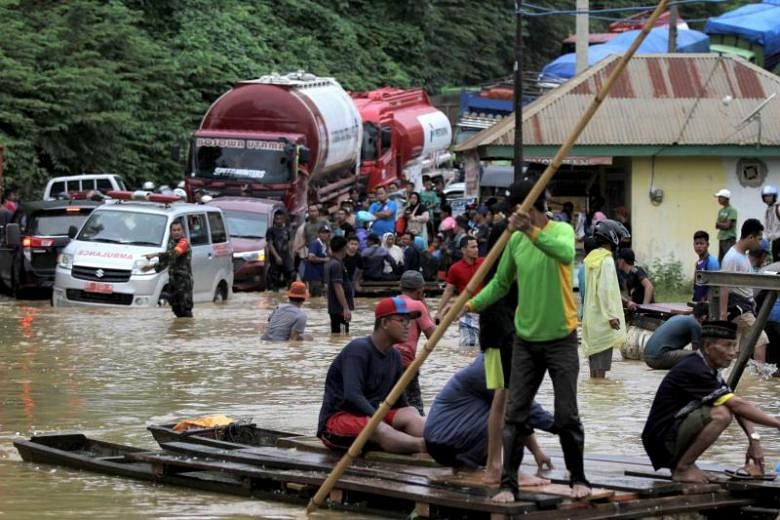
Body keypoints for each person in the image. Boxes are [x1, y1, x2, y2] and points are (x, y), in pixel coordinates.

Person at [465, 178, 591, 501]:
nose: (510, 217)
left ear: (529, 208)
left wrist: (531, 231)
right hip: (525, 341)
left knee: (566, 415)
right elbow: (500, 284)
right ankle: (508, 484)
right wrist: (469, 304)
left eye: (514, 210)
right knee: (515, 414)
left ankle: (578, 478)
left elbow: (564, 254)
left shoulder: (559, 231)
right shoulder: (515, 242)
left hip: (561, 338)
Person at [642, 321, 780, 483]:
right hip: (661, 441)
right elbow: (737, 406)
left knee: (725, 407)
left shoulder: (706, 367)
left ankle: (687, 465)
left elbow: (737, 405)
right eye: (727, 346)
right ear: (707, 346)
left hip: (668, 436)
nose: (733, 353)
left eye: (734, 346)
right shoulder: (695, 368)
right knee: (721, 414)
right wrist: (777, 423)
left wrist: (754, 440)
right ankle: (683, 468)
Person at [316, 297, 427, 454]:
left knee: (411, 412)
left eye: (409, 321)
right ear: (384, 323)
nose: (408, 326)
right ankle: (425, 446)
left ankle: (441, 438)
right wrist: (379, 419)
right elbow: (352, 396)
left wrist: (400, 420)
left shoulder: (395, 356)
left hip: (370, 418)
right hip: (336, 423)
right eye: (402, 321)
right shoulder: (358, 350)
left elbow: (399, 403)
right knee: (376, 425)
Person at [424, 353, 555, 483]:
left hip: (444, 441)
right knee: (510, 409)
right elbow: (527, 410)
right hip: (449, 441)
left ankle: (465, 469)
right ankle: (505, 472)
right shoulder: (491, 366)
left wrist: (536, 451)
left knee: (510, 408)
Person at [581, 220, 629, 379]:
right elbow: (604, 290)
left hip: (591, 321)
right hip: (603, 322)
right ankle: (601, 402)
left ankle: (595, 399)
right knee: (601, 374)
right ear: (612, 237)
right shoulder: (607, 261)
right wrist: (611, 316)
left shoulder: (591, 260)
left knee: (594, 371)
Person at [719, 218, 770, 363]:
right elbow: (724, 285)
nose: (759, 243)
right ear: (750, 237)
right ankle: (760, 381)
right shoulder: (732, 257)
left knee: (736, 350)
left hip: (746, 307)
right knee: (761, 339)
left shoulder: (743, 256)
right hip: (739, 309)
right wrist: (723, 315)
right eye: (758, 239)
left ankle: (736, 381)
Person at [394, 271, 436, 415]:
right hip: (405, 362)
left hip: (385, 359)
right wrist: (424, 304)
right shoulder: (417, 305)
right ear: (419, 291)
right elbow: (433, 336)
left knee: (392, 407)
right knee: (415, 408)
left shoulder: (391, 302)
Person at [435, 236, 484, 351]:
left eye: (477, 246)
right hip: (467, 314)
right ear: (463, 250)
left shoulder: (484, 263)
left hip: (486, 313)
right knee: (467, 351)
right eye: (472, 247)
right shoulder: (455, 269)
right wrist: (438, 312)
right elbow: (448, 291)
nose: (476, 249)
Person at [143, 221, 193, 318]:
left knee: (185, 311)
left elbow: (174, 254)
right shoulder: (171, 243)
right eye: (174, 230)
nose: (176, 232)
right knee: (176, 311)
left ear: (183, 231)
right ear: (170, 232)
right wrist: (151, 267)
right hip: (173, 281)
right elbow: (167, 261)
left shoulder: (184, 243)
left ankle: (187, 331)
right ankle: (179, 332)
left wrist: (155, 254)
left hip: (184, 283)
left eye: (179, 230)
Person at [324, 236, 353, 335]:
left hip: (335, 307)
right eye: (348, 245)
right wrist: (345, 308)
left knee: (337, 337)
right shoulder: (336, 264)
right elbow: (338, 286)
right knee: (342, 336)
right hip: (339, 309)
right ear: (344, 248)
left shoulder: (332, 263)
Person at [265, 210, 295, 291]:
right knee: (274, 281)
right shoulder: (270, 231)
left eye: (281, 219)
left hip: (286, 258)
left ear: (284, 219)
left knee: (292, 276)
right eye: (277, 219)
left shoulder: (287, 230)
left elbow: (290, 243)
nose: (279, 221)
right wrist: (277, 257)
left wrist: (292, 255)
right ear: (274, 219)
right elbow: (270, 245)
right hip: (275, 260)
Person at [692, 230, 720, 307]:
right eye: (697, 243)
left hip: (708, 306)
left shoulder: (712, 262)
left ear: (707, 245)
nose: (699, 246)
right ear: (693, 245)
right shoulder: (698, 263)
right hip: (698, 304)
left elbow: (715, 286)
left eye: (702, 243)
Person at [303, 224, 331, 297]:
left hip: (320, 275)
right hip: (313, 275)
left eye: (327, 233)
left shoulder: (324, 244)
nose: (325, 235)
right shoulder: (315, 243)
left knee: (318, 297)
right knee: (314, 297)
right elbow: (311, 258)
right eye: (323, 233)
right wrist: (325, 259)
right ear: (318, 234)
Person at [715, 188, 737, 263]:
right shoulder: (721, 211)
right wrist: (723, 224)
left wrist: (721, 224)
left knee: (729, 259)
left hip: (729, 239)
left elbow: (728, 226)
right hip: (721, 238)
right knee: (721, 260)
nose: (718, 199)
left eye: (720, 197)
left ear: (726, 198)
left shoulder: (732, 211)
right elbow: (716, 225)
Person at [762, 185, 780, 262]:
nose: (767, 198)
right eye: (765, 196)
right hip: (774, 242)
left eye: (769, 196)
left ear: (774, 197)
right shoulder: (768, 210)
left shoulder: (778, 208)